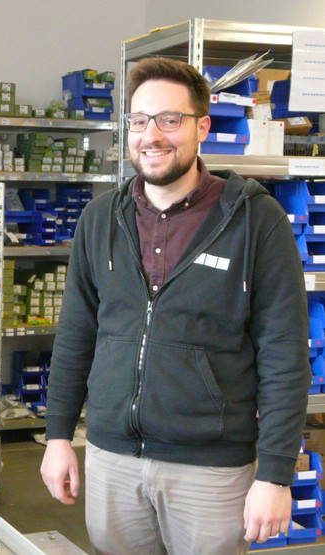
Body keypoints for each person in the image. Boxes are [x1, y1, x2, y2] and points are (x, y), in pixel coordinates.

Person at [40, 57, 311, 554]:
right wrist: (58, 435)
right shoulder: (100, 218)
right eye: (139, 120)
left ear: (202, 127)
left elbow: (284, 355)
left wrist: (274, 474)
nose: (151, 136)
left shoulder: (256, 221)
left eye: (170, 119)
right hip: (112, 458)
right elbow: (76, 335)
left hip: (210, 469)